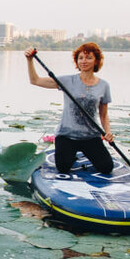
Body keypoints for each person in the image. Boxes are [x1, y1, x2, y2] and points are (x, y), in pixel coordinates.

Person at [25, 42, 115, 174]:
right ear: (76, 61)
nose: (84, 61)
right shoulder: (67, 81)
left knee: (107, 168)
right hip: (67, 135)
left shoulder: (104, 86)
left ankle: (85, 153)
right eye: (81, 58)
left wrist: (107, 132)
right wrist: (30, 60)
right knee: (63, 168)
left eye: (89, 58)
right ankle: (71, 154)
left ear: (96, 61)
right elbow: (35, 80)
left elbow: (103, 114)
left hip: (90, 136)